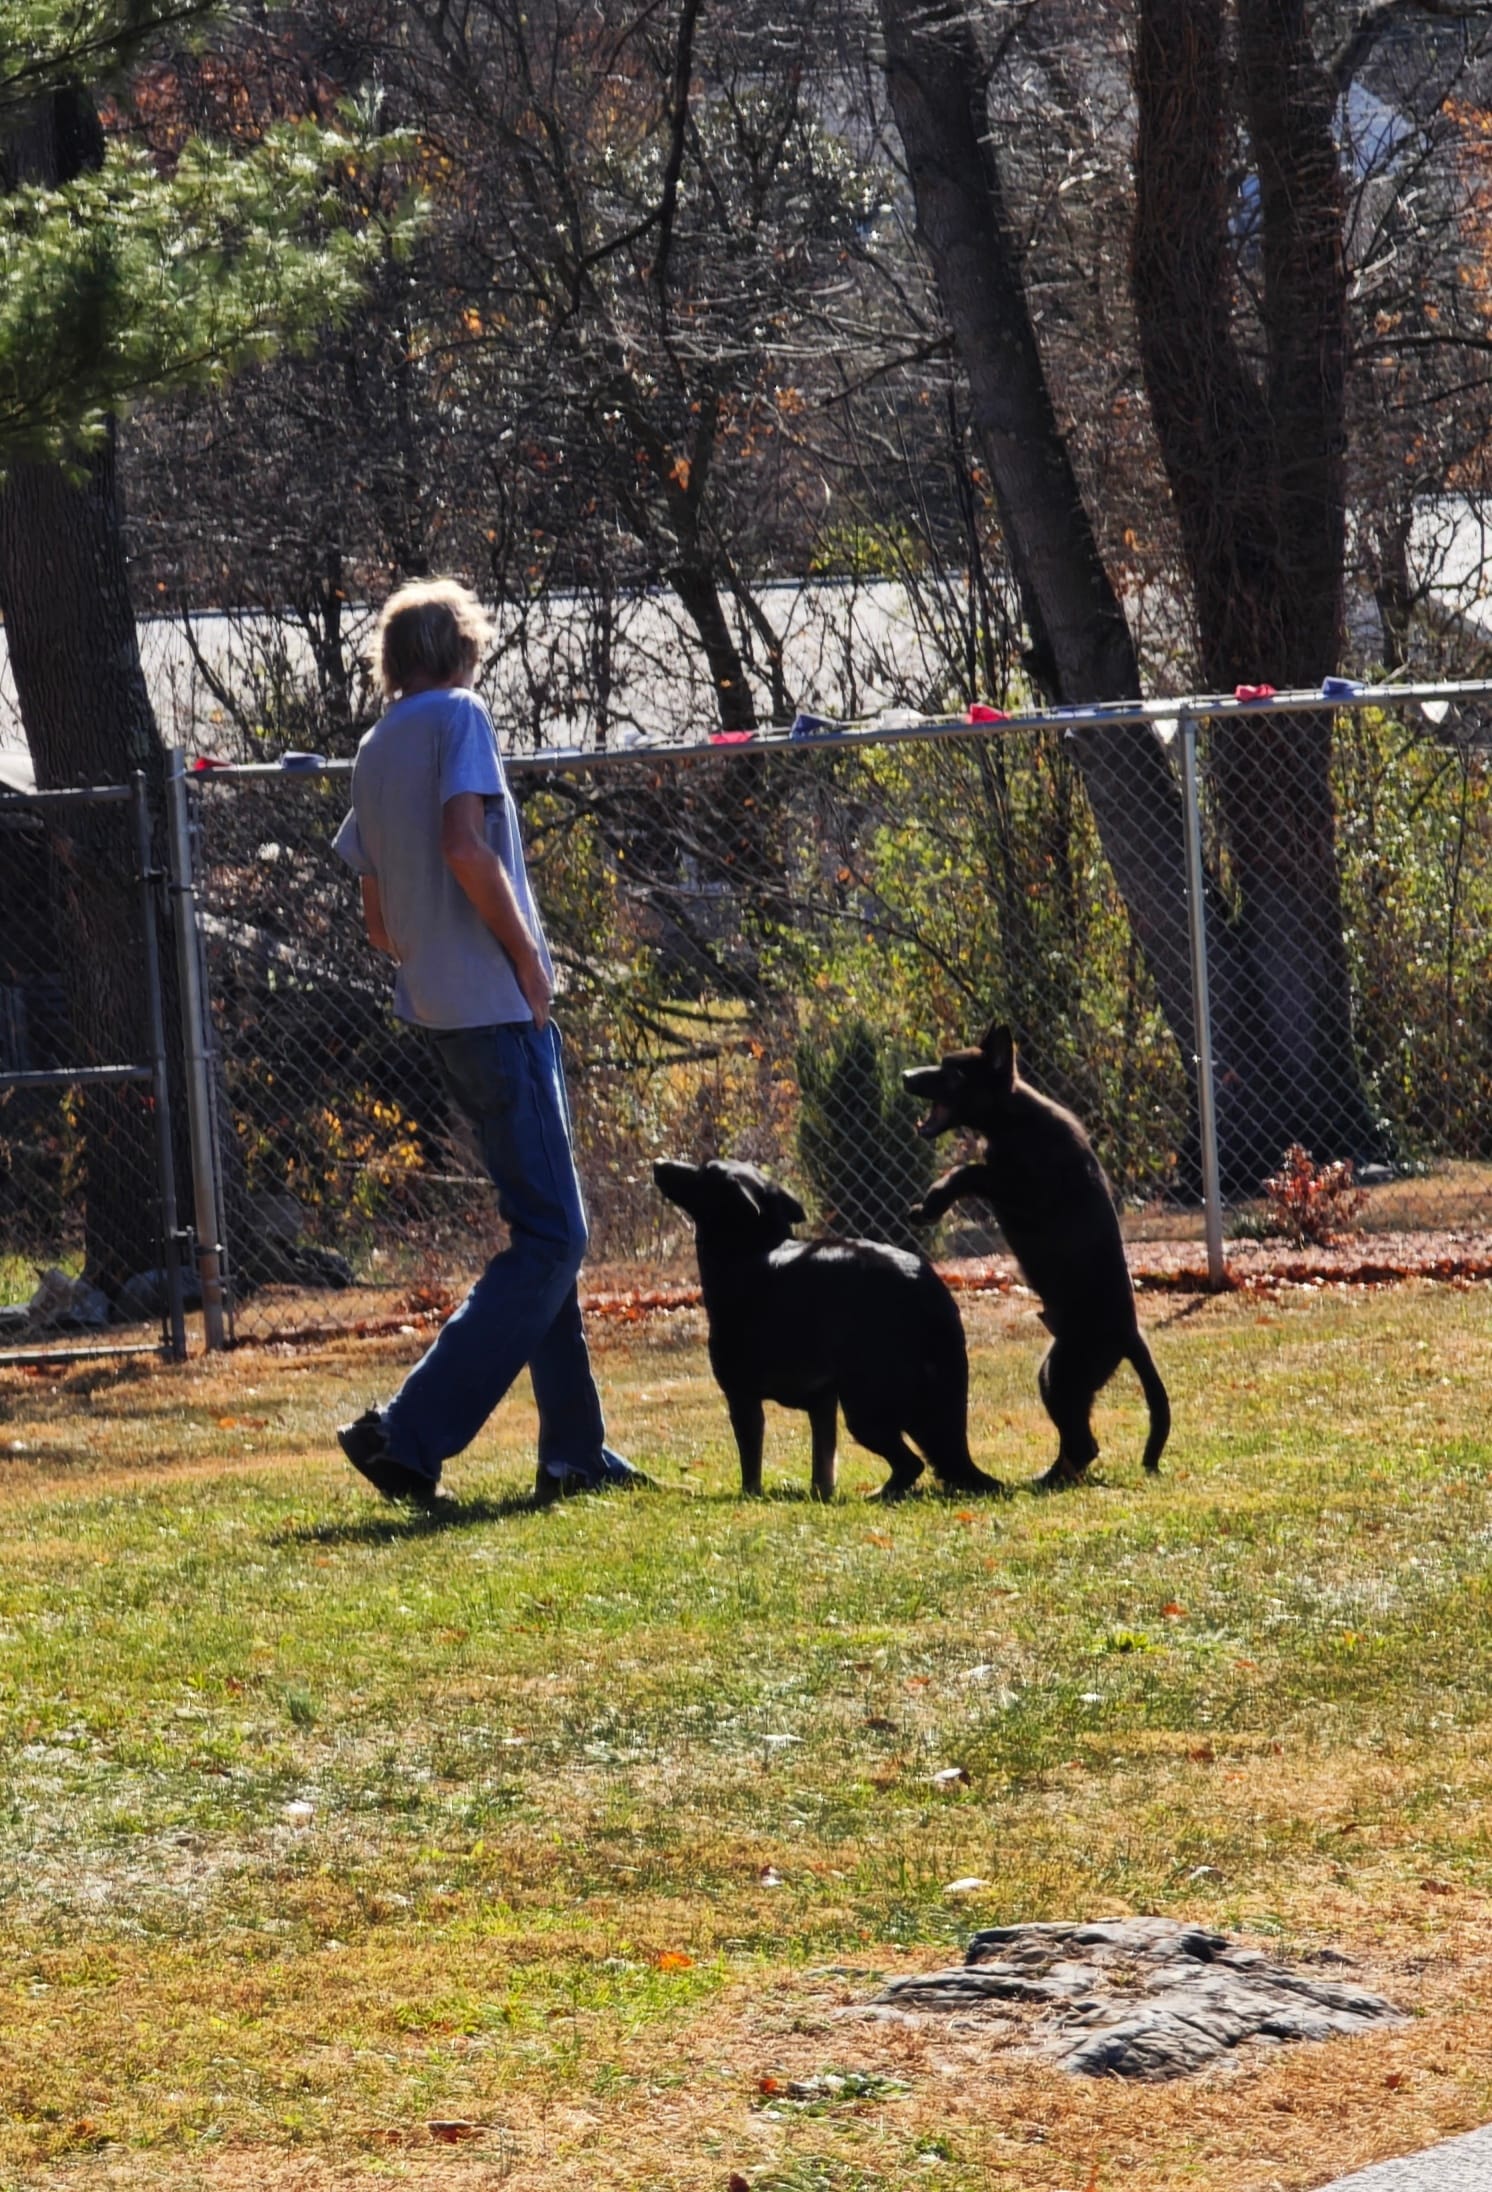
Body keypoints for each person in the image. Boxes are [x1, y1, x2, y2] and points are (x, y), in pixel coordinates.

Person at [331, 578, 646, 1507]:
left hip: (435, 1009)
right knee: (556, 1236)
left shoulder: (375, 745)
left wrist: (440, 951)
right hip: (497, 1007)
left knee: (543, 1236)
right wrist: (527, 963)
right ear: (462, 652)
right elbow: (467, 847)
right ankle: (407, 1432)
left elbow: (377, 920)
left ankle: (573, 1451)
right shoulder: (460, 715)